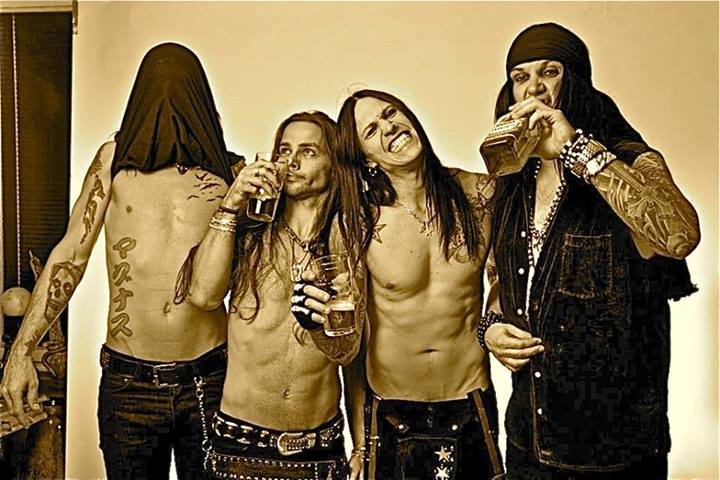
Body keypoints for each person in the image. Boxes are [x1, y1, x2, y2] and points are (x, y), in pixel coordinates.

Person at [0, 43, 238, 480]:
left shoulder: (231, 174)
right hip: (129, 384)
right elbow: (70, 254)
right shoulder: (112, 162)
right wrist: (21, 351)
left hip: (210, 377)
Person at [479, 23, 701, 479]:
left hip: (616, 452)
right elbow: (505, 278)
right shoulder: (512, 182)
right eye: (520, 77)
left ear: (576, 80)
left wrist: (575, 149)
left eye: (550, 72)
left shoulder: (630, 160)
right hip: (528, 440)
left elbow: (680, 235)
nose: (534, 88)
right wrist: (491, 327)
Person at [181, 111, 362, 480]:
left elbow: (352, 356)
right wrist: (232, 202)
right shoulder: (250, 236)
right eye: (284, 150)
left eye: (308, 151)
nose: (291, 162)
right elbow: (202, 295)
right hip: (239, 447)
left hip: (319, 452)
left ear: (334, 163)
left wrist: (361, 445)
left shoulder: (350, 242)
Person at [336, 89, 504, 479]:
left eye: (391, 113)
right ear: (366, 157)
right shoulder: (359, 221)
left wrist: (495, 321)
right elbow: (352, 345)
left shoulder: (480, 194)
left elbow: (507, 278)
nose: (388, 127)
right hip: (392, 411)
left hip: (471, 402)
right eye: (371, 130)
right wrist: (358, 443)